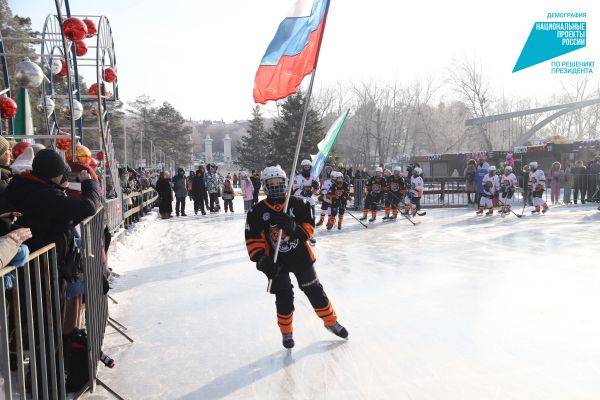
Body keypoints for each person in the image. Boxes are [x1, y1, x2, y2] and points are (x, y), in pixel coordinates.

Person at [245, 165, 348, 349]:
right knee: (284, 297)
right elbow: (253, 240)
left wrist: (293, 228)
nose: (276, 187)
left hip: (300, 256)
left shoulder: (298, 203)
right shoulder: (257, 211)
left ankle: (330, 321)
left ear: (286, 183)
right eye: (272, 183)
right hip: (277, 262)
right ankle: (286, 333)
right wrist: (263, 261)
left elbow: (309, 229)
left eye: (279, 183)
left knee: (314, 290)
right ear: (265, 186)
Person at [293, 159, 319, 243]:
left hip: (311, 201)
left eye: (308, 166)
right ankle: (299, 234)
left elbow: (317, 192)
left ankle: (310, 235)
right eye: (305, 166)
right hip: (300, 200)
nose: (307, 168)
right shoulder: (298, 177)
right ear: (303, 167)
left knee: (311, 218)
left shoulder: (314, 176)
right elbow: (294, 190)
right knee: (300, 218)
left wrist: (316, 187)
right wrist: (303, 193)